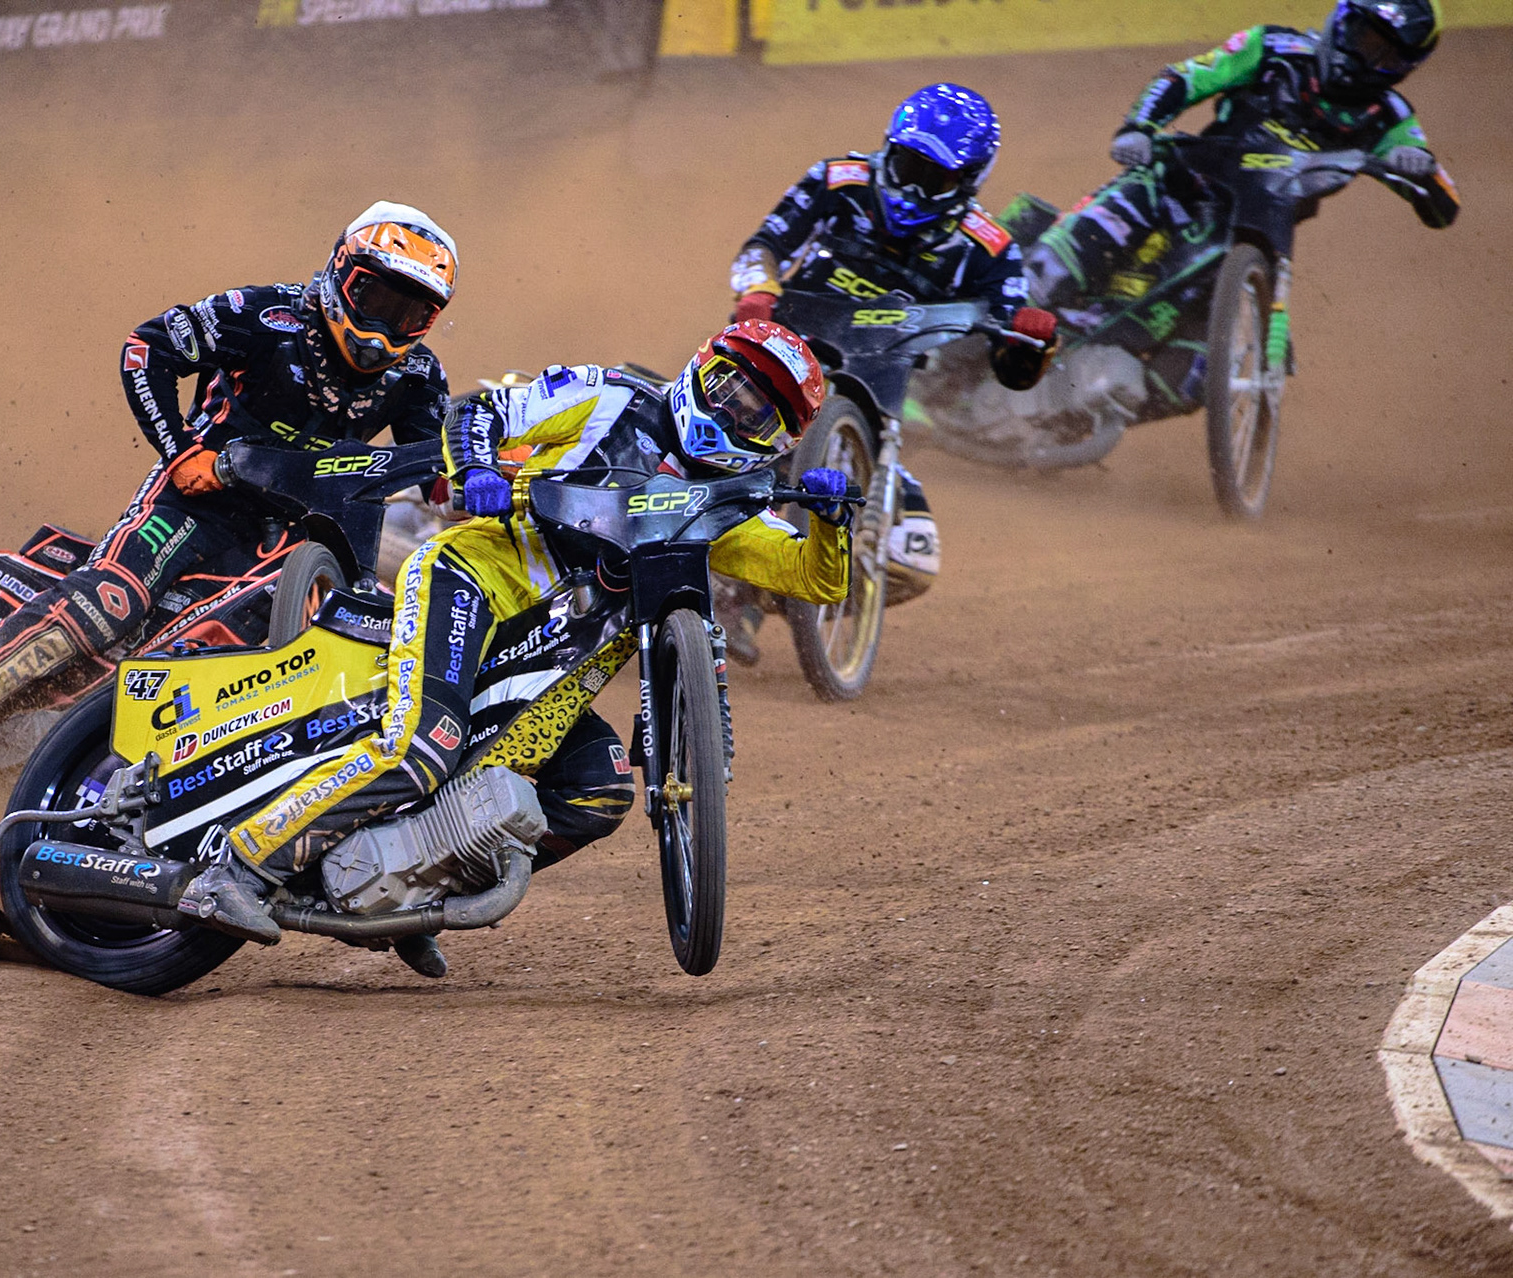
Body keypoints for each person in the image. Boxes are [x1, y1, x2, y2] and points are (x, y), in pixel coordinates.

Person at [186, 320, 854, 967]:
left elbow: (814, 578)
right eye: (730, 387)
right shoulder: (610, 395)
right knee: (423, 746)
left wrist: (830, 519)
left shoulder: (729, 505)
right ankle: (235, 869)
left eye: (758, 415)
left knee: (602, 790)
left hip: (551, 675)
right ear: (701, 368)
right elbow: (481, 410)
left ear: (778, 441)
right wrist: (476, 467)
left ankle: (416, 893)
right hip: (474, 580)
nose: (734, 414)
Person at [0, 202, 458, 776]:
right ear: (339, 272)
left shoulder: (419, 375)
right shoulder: (264, 316)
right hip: (196, 501)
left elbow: (439, 463)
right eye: (375, 299)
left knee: (192, 659)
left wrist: (488, 476)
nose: (384, 329)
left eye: (410, 316)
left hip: (284, 544)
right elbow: (145, 347)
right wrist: (180, 451)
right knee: (110, 603)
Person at [722, 82, 1059, 660]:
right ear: (887, 148)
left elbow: (1014, 364)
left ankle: (785, 592)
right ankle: (722, 594)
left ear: (969, 179)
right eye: (905, 163)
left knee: (912, 561)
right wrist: (757, 288)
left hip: (885, 387)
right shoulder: (837, 180)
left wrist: (1034, 339)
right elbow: (764, 246)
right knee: (713, 441)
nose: (911, 185)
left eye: (933, 177)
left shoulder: (990, 248)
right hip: (785, 350)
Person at [1029, 0, 1457, 316]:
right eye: (1364, 40)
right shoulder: (1273, 47)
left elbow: (1444, 205)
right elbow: (1188, 77)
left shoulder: (1392, 117)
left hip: (1248, 235)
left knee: (1192, 366)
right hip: (1179, 184)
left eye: (1387, 55)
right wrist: (1138, 127)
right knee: (1064, 259)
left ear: (1406, 67)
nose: (1367, 58)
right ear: (1342, 22)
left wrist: (1421, 167)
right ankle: (1004, 303)